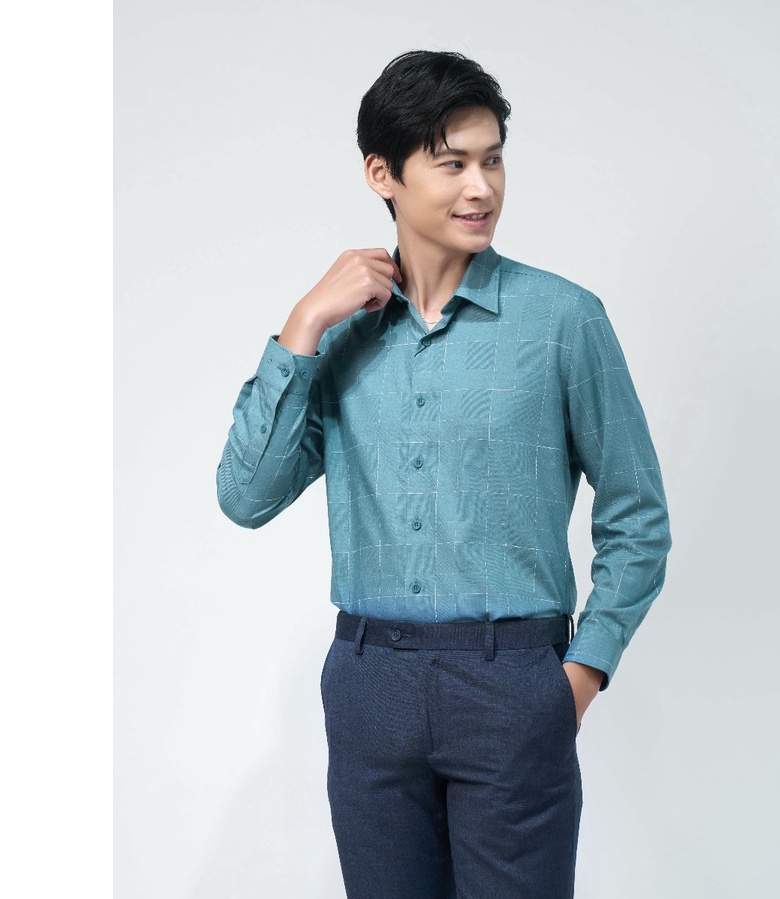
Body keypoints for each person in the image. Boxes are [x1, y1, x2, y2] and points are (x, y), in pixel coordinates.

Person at [217, 50, 671, 899]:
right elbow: (245, 496)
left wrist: (578, 674)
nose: (480, 188)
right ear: (381, 174)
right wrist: (302, 324)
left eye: (492, 160)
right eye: (452, 163)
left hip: (512, 681)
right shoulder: (338, 335)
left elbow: (637, 513)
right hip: (367, 683)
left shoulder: (563, 320)